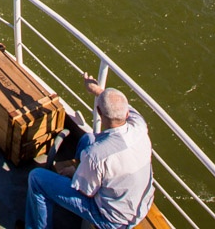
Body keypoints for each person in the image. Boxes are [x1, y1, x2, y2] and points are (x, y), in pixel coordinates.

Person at [22, 76, 155, 229]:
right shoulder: (139, 126)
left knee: (37, 178)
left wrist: (75, 173)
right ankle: (82, 172)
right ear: (126, 114)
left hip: (112, 220)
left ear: (99, 112)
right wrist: (98, 91)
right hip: (141, 205)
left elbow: (87, 192)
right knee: (88, 138)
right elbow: (124, 109)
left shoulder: (96, 155)